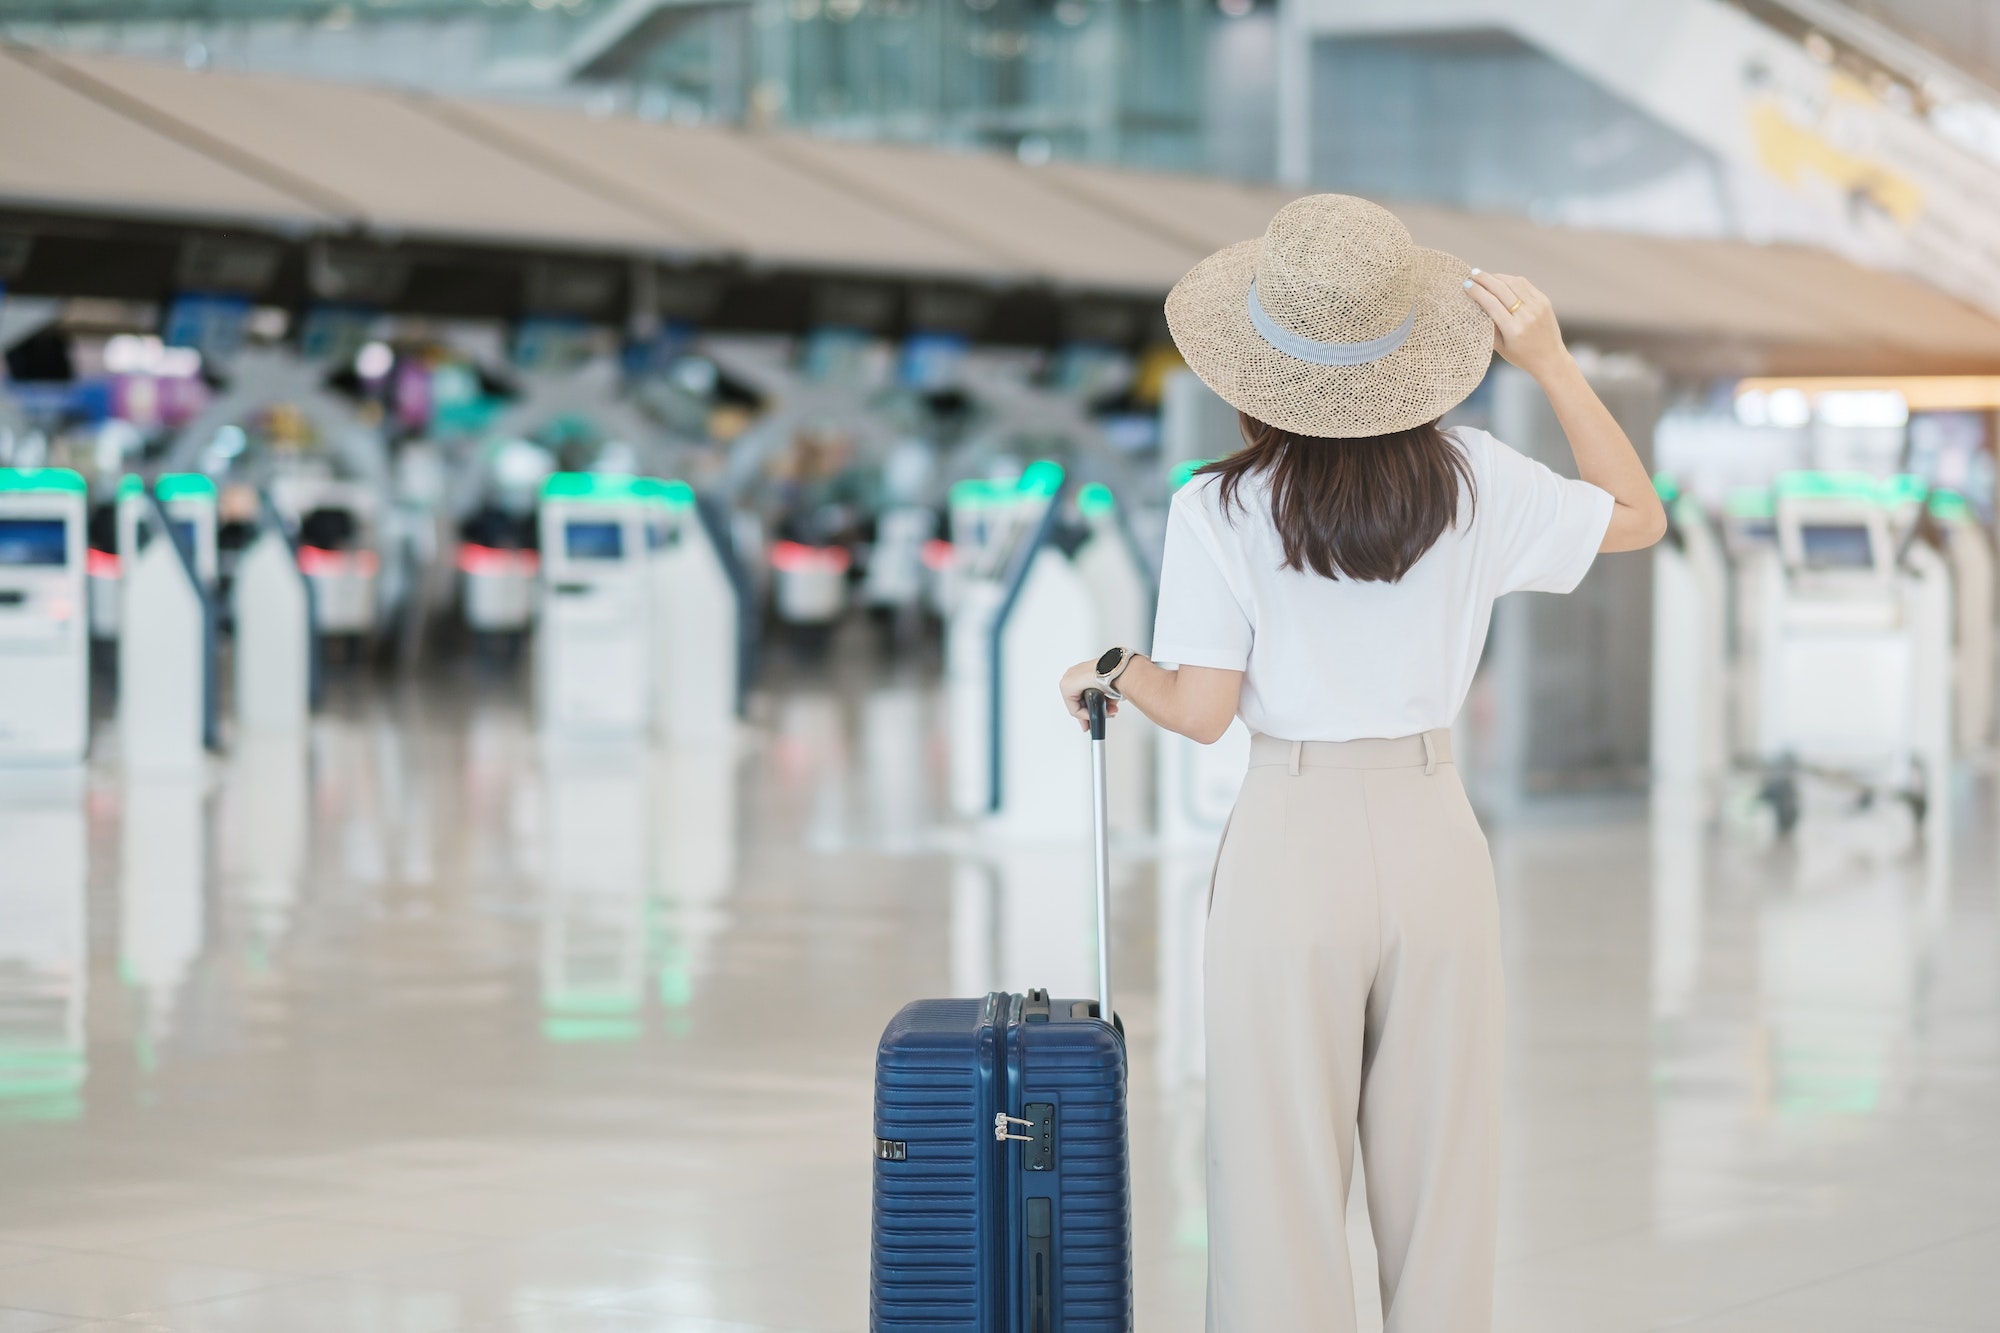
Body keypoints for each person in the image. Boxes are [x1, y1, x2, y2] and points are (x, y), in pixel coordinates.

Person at [1058, 194, 1665, 1332]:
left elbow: (1197, 712)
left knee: (1275, 1174)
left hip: (1292, 840)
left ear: (1254, 368)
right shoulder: (1475, 477)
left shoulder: (1220, 507)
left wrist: (1107, 670)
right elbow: (1636, 514)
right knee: (1441, 1174)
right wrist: (1547, 360)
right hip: (1436, 828)